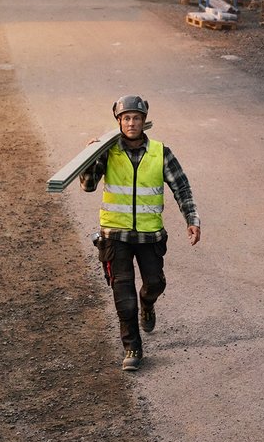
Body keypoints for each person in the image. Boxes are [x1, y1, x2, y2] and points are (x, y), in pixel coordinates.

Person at [80, 95, 201, 371]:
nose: (131, 123)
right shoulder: (108, 151)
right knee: (123, 295)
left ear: (144, 122)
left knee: (155, 283)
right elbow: (88, 186)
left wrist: (191, 219)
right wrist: (89, 157)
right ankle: (132, 347)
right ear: (119, 122)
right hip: (115, 235)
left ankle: (148, 303)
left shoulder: (161, 152)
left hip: (149, 236)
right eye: (126, 118)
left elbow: (182, 188)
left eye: (136, 118)